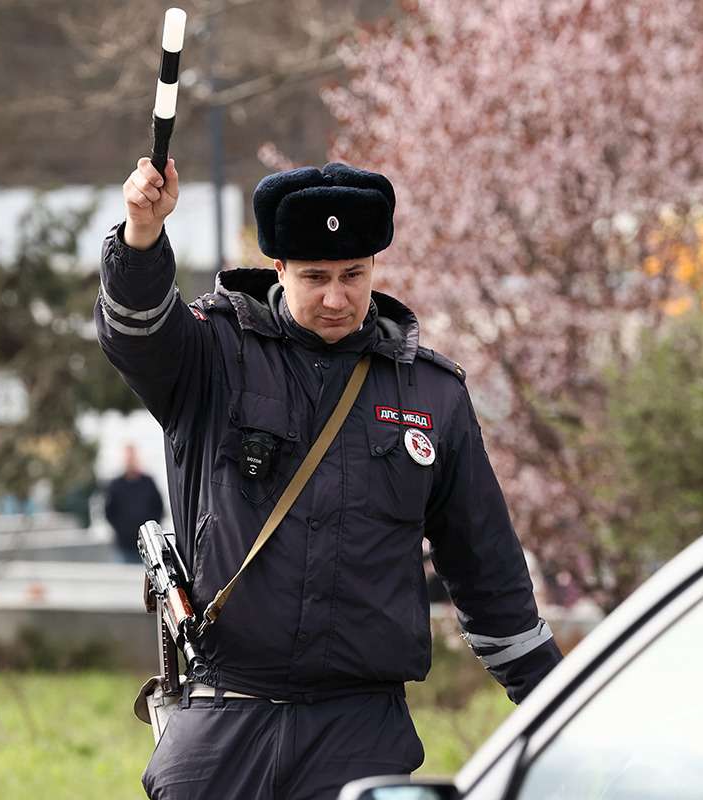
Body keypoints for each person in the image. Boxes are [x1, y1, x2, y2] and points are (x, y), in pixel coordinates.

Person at [96, 156, 562, 800]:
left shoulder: (432, 395)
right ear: (278, 269)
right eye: (315, 277)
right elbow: (135, 331)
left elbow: (489, 574)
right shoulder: (212, 356)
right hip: (227, 720)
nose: (337, 298)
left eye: (354, 275)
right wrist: (141, 236)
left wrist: (561, 710)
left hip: (360, 730)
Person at [104, 444, 167, 564]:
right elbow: (109, 512)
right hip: (124, 546)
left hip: (148, 545)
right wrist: (122, 530)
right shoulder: (115, 485)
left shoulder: (148, 482)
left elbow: (159, 508)